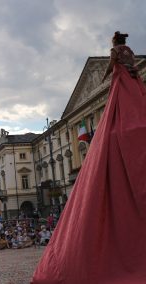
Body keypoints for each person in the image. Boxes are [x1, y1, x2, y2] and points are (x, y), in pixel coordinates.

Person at [32, 31, 146, 283]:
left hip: (120, 83)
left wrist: (106, 77)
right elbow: (134, 67)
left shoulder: (116, 53)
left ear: (114, 44)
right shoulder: (130, 53)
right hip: (133, 81)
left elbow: (110, 67)